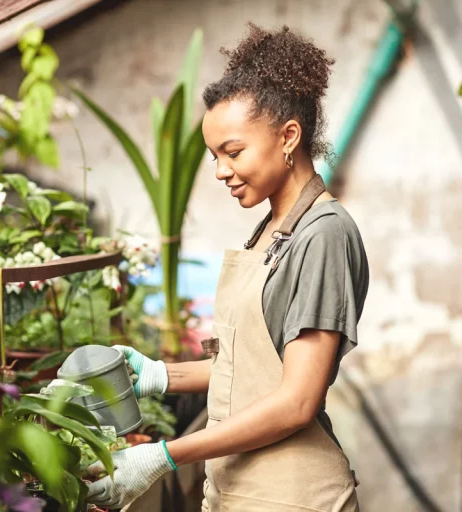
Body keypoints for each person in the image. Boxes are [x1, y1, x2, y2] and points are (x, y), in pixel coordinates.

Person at [86, 23, 369, 511]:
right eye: (215, 155)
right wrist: (158, 375)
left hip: (292, 497)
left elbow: (296, 401)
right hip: (239, 490)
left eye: (233, 152)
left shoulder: (322, 234)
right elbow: (251, 370)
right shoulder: (271, 229)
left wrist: (162, 456)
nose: (219, 170)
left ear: (289, 137)